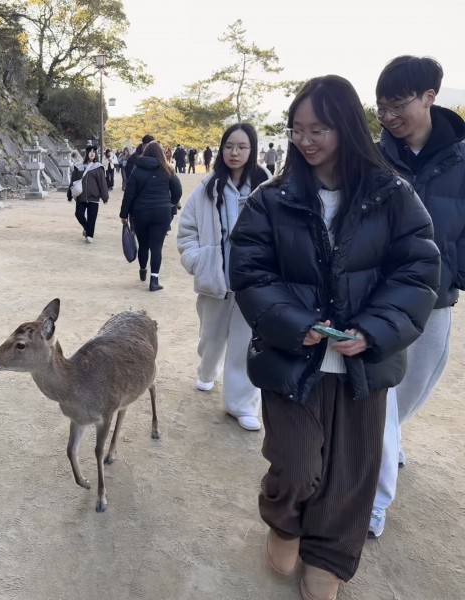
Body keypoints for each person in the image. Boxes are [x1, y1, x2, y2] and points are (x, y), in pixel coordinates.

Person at [229, 75, 439, 599]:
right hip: (291, 358)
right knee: (296, 462)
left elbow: (416, 271)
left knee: (350, 472)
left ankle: (329, 555)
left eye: (318, 129)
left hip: (362, 365)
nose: (305, 140)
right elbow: (251, 273)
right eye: (297, 129)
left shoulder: (393, 195)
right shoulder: (270, 199)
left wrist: (374, 330)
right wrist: (292, 324)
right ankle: (285, 525)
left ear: (346, 127)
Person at [369, 55, 465, 539]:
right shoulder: (373, 156)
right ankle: (373, 498)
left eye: (398, 105)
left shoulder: (462, 159)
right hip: (380, 296)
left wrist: (455, 274)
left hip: (436, 299)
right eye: (381, 108)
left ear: (430, 97)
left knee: (413, 389)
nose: (388, 117)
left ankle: (390, 438)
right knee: (378, 395)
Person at [177, 123, 269, 431]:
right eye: (229, 146)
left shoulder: (265, 185)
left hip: (252, 283)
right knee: (211, 336)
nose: (234, 152)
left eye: (242, 147)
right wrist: (198, 260)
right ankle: (207, 371)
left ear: (252, 149)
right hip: (214, 279)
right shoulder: (208, 186)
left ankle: (242, 405)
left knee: (245, 344)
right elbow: (187, 229)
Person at [120, 141, 182, 291]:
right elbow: (178, 190)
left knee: (143, 244)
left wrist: (124, 214)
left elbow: (129, 195)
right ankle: (154, 280)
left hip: (141, 212)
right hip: (161, 212)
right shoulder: (167, 170)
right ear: (161, 154)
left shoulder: (137, 171)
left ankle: (143, 271)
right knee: (156, 246)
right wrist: (170, 203)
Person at [67, 145, 109, 243]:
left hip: (94, 196)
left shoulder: (98, 167)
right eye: (90, 152)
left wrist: (105, 197)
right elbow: (73, 181)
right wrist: (70, 194)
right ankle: (87, 228)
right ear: (86, 154)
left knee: (92, 217)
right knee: (79, 214)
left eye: (94, 152)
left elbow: (102, 183)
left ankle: (90, 235)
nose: (92, 154)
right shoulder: (78, 166)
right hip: (81, 196)